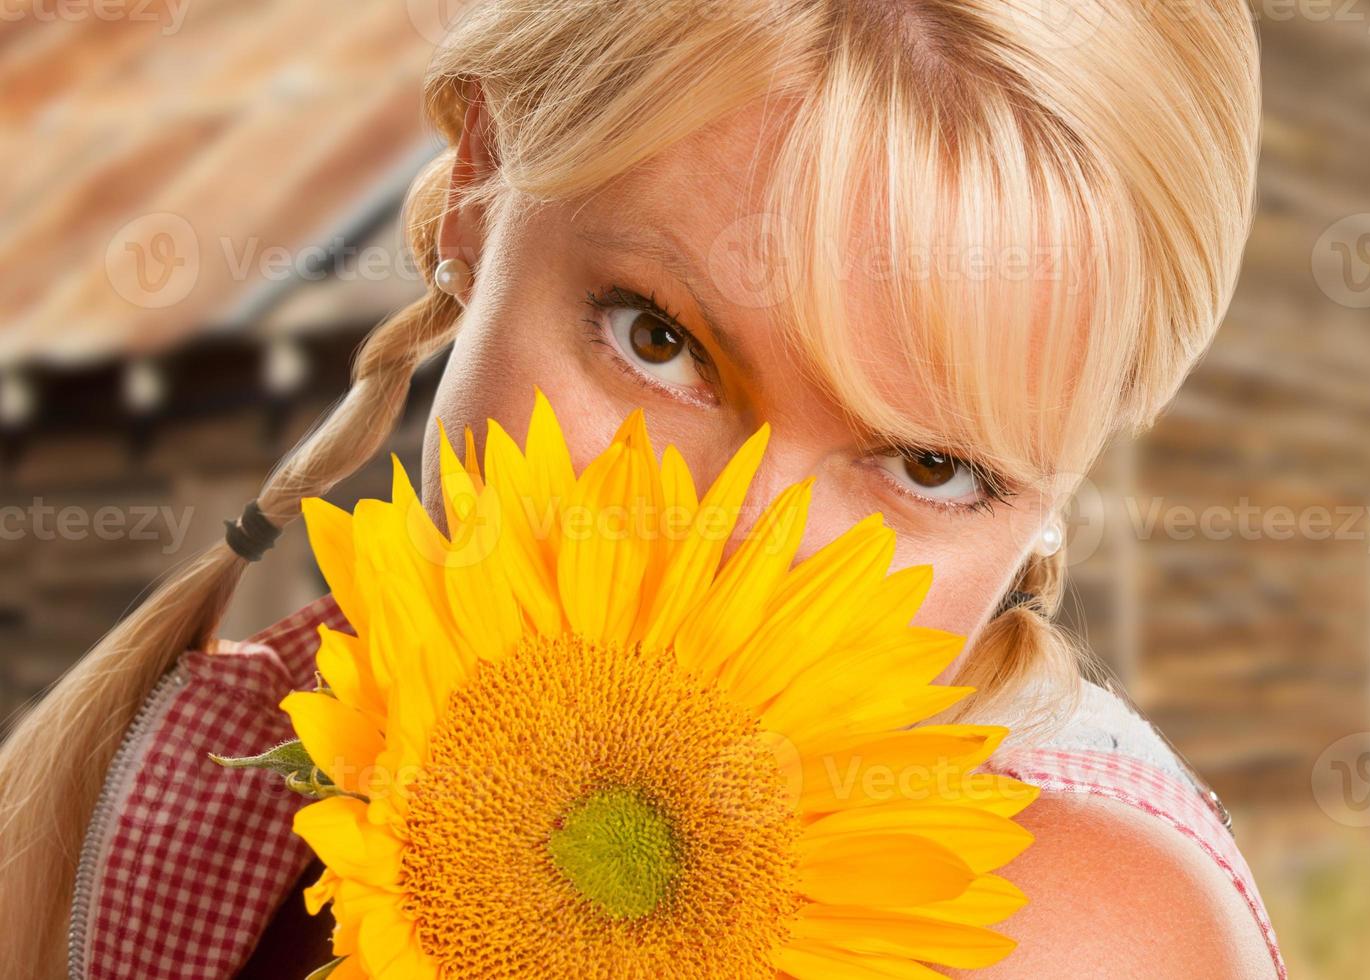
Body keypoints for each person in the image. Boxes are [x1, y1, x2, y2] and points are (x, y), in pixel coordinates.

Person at [0, 0, 1276, 975]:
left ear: (1061, 486)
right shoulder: (185, 776)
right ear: (480, 186)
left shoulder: (1050, 926)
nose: (726, 554)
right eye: (658, 341)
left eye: (932, 468)